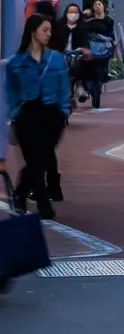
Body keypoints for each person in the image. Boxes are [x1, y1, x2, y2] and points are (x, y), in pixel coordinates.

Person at [5, 11, 71, 218]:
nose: (48, 34)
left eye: (50, 30)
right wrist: (16, 110)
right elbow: (10, 90)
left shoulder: (56, 59)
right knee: (35, 158)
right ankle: (43, 204)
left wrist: (63, 111)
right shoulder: (16, 62)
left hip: (52, 114)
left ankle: (20, 192)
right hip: (27, 113)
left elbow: (63, 87)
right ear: (33, 32)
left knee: (40, 158)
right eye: (45, 30)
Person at [75, 0, 116, 109]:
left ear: (103, 6)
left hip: (103, 48)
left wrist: (112, 45)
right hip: (91, 48)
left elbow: (111, 35)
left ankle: (105, 74)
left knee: (105, 61)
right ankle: (83, 85)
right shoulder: (89, 20)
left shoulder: (109, 21)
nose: (98, 6)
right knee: (84, 62)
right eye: (95, 5)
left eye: (100, 4)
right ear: (93, 7)